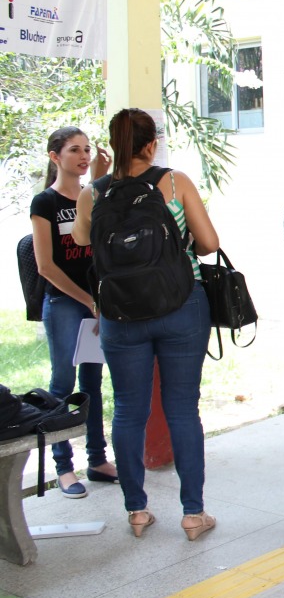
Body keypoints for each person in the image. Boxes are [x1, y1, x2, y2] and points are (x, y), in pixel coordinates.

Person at [73, 108, 219, 540]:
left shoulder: (94, 193)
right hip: (180, 306)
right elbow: (209, 244)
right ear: (151, 144)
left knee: (128, 410)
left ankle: (137, 510)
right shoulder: (174, 182)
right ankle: (193, 514)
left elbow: (83, 241)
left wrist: (99, 181)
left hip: (120, 314)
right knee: (182, 409)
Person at [29, 127, 119, 499]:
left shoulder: (92, 195)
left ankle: (96, 459)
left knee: (93, 384)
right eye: (73, 150)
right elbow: (46, 266)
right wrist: (87, 300)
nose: (83, 157)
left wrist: (100, 179)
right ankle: (63, 467)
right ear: (55, 157)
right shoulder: (45, 203)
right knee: (62, 385)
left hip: (96, 302)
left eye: (86, 150)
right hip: (67, 302)